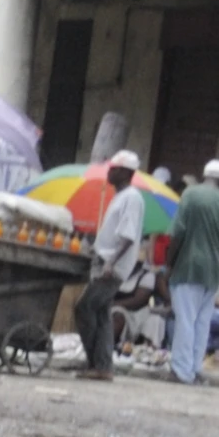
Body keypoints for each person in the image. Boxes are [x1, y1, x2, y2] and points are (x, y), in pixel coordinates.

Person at [167, 159, 219, 386]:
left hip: (188, 266)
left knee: (185, 320)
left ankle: (181, 371)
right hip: (213, 271)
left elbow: (177, 232)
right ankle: (194, 368)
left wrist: (169, 263)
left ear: (204, 174)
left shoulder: (190, 194)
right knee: (202, 322)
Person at [80, 154, 150, 382]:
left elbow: (127, 236)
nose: (109, 172)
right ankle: (102, 366)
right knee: (102, 313)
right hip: (106, 259)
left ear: (126, 173)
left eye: (114, 169)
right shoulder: (120, 196)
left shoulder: (131, 197)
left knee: (85, 308)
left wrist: (111, 261)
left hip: (113, 265)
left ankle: (96, 362)